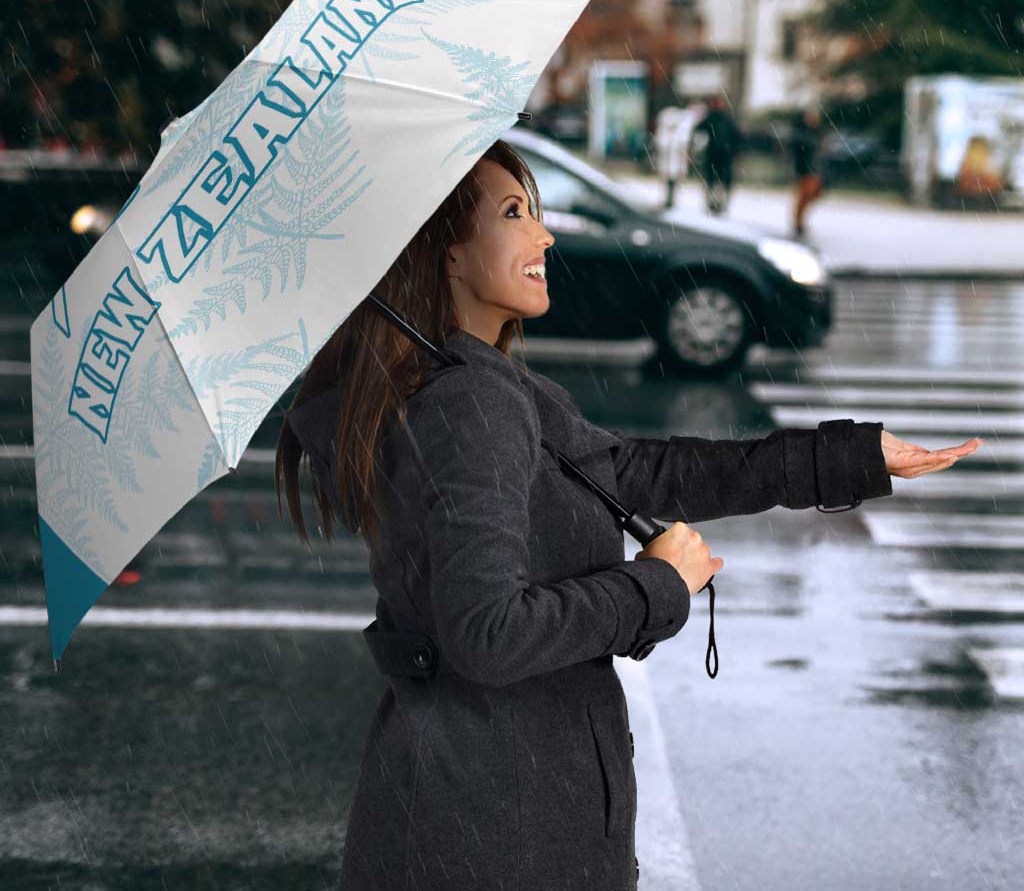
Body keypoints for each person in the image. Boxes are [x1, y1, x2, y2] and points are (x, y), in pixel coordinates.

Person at [275, 139, 980, 891]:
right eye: (514, 213)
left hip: (481, 808)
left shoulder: (478, 386)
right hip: (499, 830)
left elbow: (642, 472)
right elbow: (487, 634)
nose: (544, 235)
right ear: (445, 254)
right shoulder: (470, 404)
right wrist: (655, 585)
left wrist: (849, 457)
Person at [692, 93, 742, 216]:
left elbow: (736, 137)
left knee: (720, 182)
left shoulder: (725, 119)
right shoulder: (712, 118)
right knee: (713, 181)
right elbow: (698, 131)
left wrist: (735, 151)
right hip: (715, 155)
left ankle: (719, 204)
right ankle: (713, 204)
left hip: (723, 155)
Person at [790, 106, 826, 237]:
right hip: (805, 170)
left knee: (812, 195)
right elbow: (799, 153)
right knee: (804, 196)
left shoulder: (817, 133)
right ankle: (798, 222)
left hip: (814, 170)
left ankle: (799, 221)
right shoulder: (802, 134)